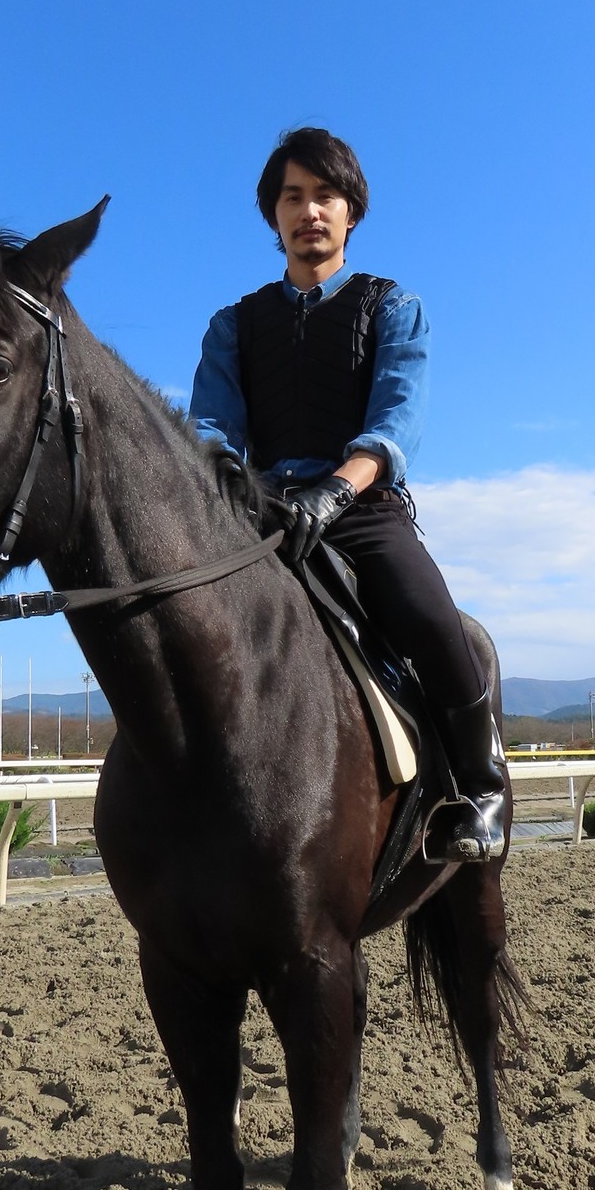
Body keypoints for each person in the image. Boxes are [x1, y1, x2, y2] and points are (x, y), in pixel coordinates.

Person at [189, 126, 507, 861]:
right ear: (274, 215)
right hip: (263, 506)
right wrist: (231, 481)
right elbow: (210, 425)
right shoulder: (233, 325)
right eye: (292, 196)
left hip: (358, 508)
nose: (310, 211)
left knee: (431, 616)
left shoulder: (391, 305)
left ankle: (482, 786)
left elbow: (395, 422)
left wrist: (335, 490)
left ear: (350, 210)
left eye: (324, 195)